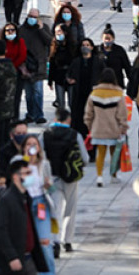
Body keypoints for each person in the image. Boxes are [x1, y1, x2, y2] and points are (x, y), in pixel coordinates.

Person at [0, 159, 48, 275]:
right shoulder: (7, 200)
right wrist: (12, 257)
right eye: (26, 173)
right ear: (16, 177)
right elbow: (1, 231)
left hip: (28, 259)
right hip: (11, 262)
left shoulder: (26, 197)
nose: (30, 176)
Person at [42, 107, 87, 255]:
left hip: (52, 178)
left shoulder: (45, 135)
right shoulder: (74, 135)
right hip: (70, 178)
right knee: (70, 209)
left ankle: (55, 241)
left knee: (54, 209)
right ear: (69, 120)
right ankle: (67, 241)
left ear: (55, 119)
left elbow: (40, 156)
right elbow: (85, 158)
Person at [20, 134, 56, 275]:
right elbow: (19, 186)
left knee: (44, 241)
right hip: (25, 204)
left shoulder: (44, 164)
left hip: (41, 203)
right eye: (28, 144)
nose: (31, 147)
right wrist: (26, 164)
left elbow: (52, 188)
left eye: (34, 144)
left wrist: (49, 185)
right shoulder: (19, 164)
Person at [84, 68, 129, 186]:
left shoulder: (94, 94)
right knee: (114, 153)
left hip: (98, 128)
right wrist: (123, 127)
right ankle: (113, 176)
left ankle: (99, 177)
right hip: (114, 129)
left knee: (100, 153)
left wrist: (90, 126)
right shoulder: (118, 94)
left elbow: (88, 113)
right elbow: (122, 114)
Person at [0, 22, 29, 120]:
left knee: (16, 97)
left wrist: (12, 66)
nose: (10, 32)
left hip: (16, 72)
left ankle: (15, 117)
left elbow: (22, 56)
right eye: (8, 30)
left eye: (12, 30)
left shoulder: (20, 42)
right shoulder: (1, 42)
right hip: (2, 71)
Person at [66, 37, 104, 140]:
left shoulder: (98, 61)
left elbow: (104, 74)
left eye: (87, 45)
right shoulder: (76, 61)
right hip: (79, 95)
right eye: (83, 45)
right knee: (79, 116)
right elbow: (68, 74)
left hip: (93, 94)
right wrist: (69, 80)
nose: (85, 47)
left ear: (92, 47)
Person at [18, 9, 51, 124]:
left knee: (38, 92)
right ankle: (30, 114)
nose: (32, 19)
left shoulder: (44, 28)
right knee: (29, 94)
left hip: (39, 65)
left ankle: (39, 115)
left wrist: (41, 29)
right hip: (26, 65)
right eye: (30, 16)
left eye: (35, 17)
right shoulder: (21, 30)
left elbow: (49, 41)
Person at [48, 24, 78, 112]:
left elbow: (76, 63)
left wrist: (74, 77)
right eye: (56, 32)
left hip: (70, 77)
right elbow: (52, 64)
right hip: (59, 77)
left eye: (59, 31)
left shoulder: (73, 46)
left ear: (65, 32)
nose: (58, 34)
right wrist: (50, 80)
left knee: (72, 102)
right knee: (60, 103)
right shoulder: (54, 46)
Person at [98, 25, 132, 91]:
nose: (107, 41)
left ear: (113, 38)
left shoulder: (119, 50)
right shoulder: (97, 51)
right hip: (101, 84)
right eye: (105, 38)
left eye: (109, 39)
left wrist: (131, 81)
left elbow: (127, 66)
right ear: (102, 38)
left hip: (117, 83)